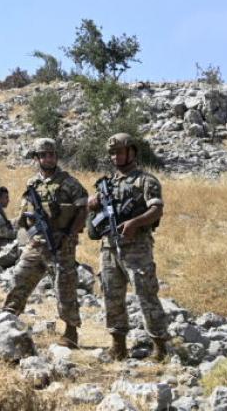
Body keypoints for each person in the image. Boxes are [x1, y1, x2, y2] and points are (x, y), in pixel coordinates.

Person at [88, 133, 170, 361]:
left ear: (132, 152)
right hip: (109, 248)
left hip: (137, 249)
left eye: (120, 151)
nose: (115, 156)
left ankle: (160, 347)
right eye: (112, 153)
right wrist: (93, 205)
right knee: (111, 296)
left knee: (146, 294)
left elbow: (157, 209)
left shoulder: (146, 181)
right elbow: (96, 215)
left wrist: (136, 222)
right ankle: (118, 345)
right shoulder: (108, 183)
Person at [2, 138, 88, 348]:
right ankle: (8, 320)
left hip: (61, 244)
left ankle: (70, 332)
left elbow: (82, 209)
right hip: (37, 243)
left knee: (65, 287)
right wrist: (31, 232)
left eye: (52, 154)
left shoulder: (69, 182)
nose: (48, 158)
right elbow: (26, 213)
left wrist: (69, 234)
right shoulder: (33, 183)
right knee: (20, 276)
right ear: (37, 158)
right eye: (44, 155)